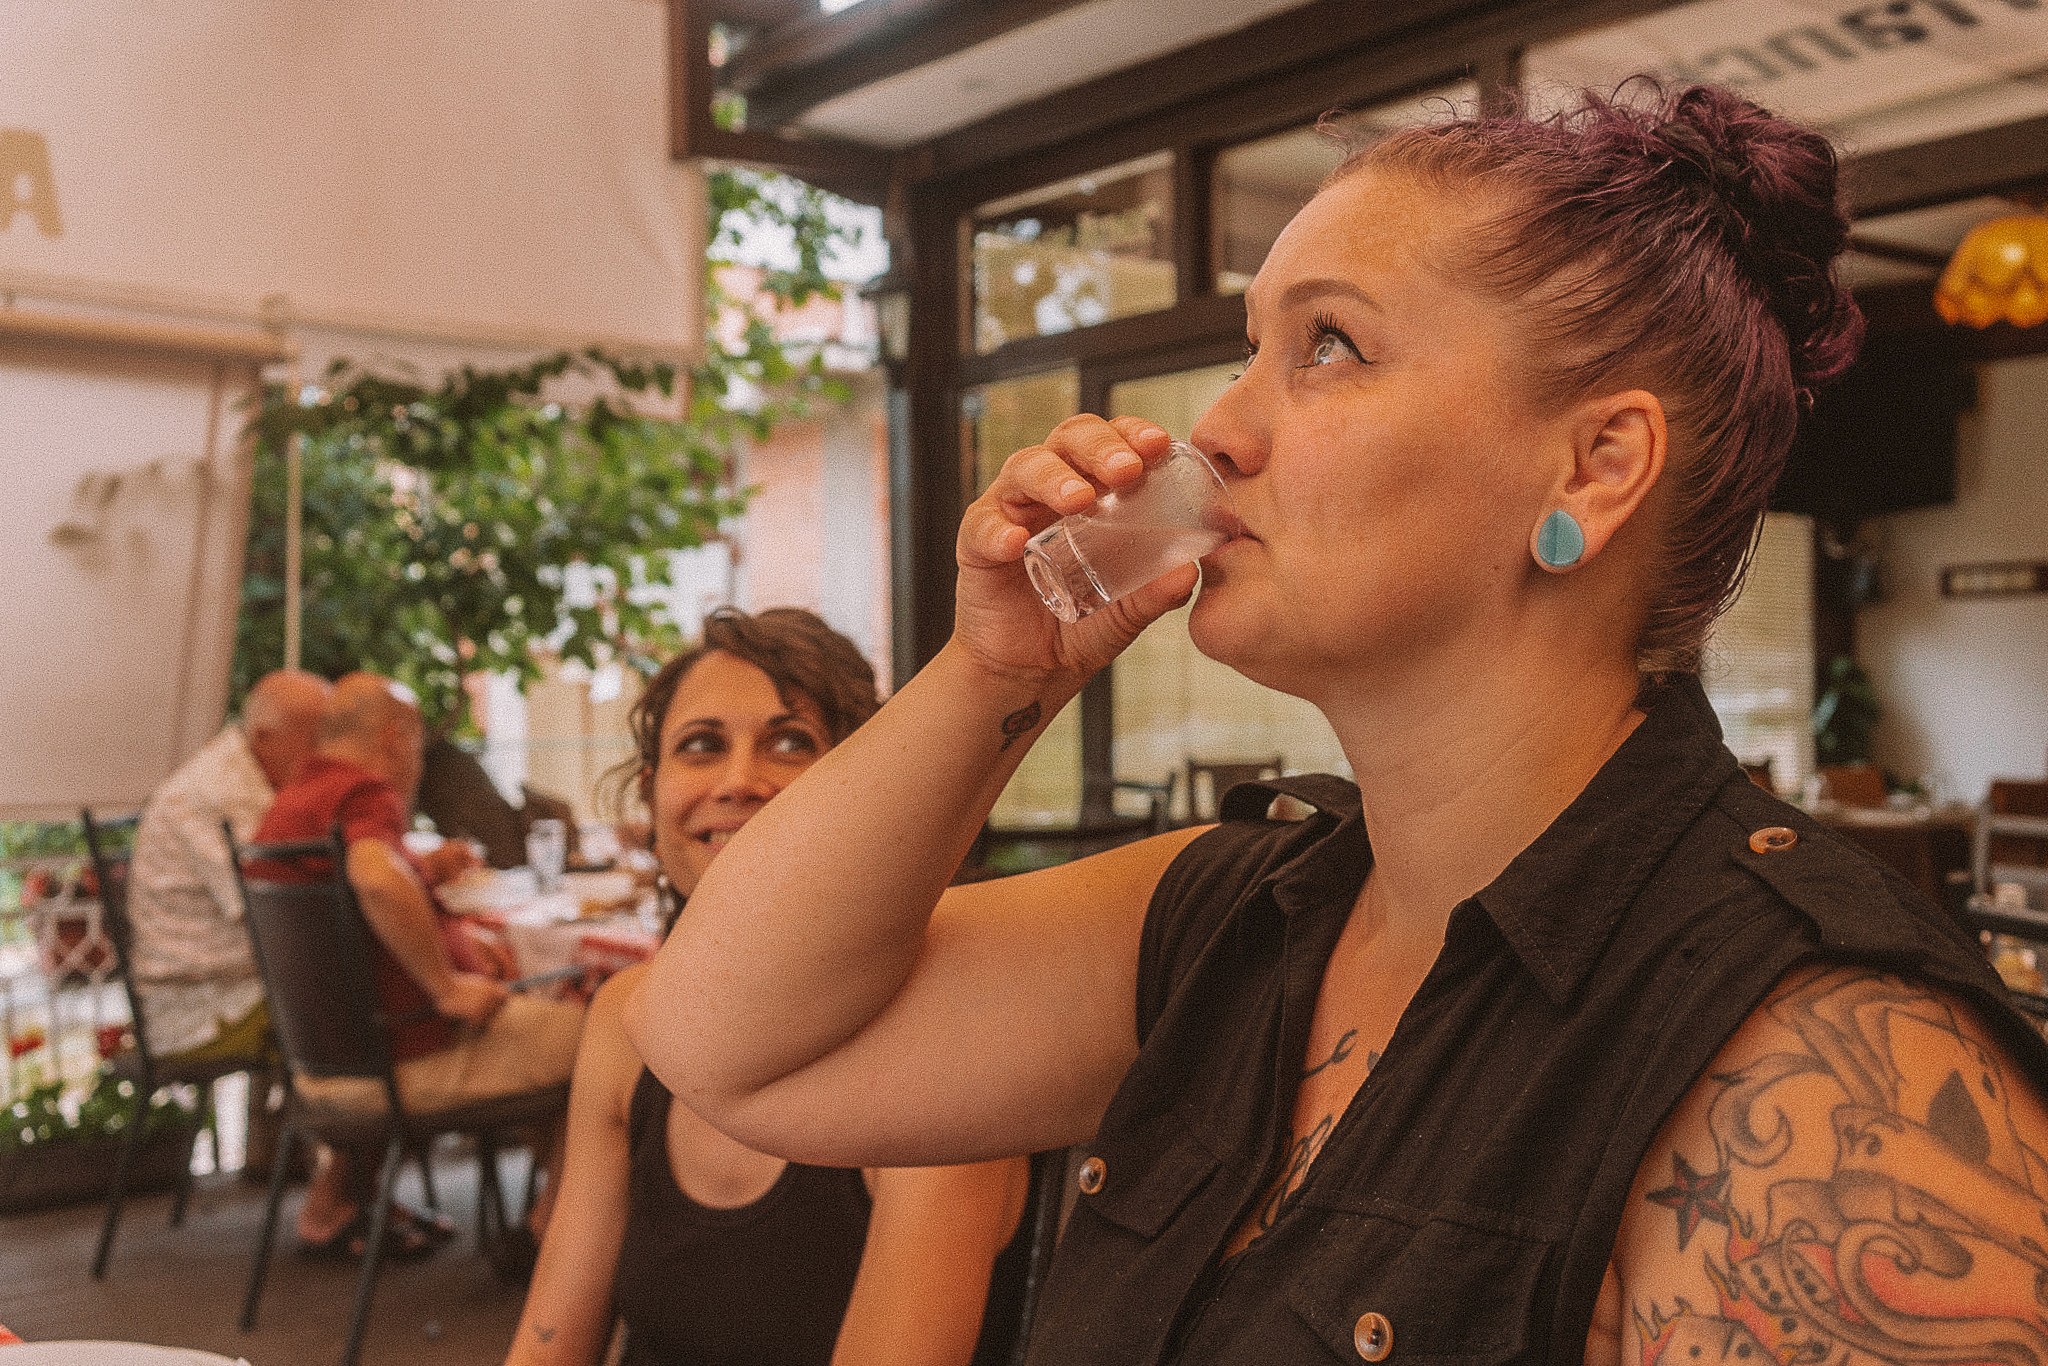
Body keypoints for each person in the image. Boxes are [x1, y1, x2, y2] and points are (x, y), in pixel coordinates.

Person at [626, 84, 2048, 1366]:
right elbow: (723, 1041)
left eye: (1329, 346)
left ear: (1594, 464)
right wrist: (1001, 672)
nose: (1220, 429)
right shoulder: (1234, 920)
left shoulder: (1826, 1075)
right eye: (1252, 348)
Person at [507, 607, 1028, 1366]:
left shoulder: (941, 1053)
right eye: (700, 746)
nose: (739, 780)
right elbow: (549, 1342)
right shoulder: (624, 1021)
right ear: (652, 801)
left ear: (866, 785)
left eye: (790, 743)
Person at [254, 671, 586, 1259]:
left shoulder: (292, 803)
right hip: (398, 1059)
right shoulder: (363, 793)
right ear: (393, 740)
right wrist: (447, 986)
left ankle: (550, 1212)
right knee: (599, 1042)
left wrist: (426, 880)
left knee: (542, 1025)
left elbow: (355, 884)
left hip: (323, 1060)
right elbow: (376, 877)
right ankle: (552, 1235)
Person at [126, 668, 330, 1064]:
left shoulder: (251, 777)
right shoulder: (219, 793)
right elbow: (280, 910)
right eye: (316, 738)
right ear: (264, 738)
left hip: (245, 986)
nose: (326, 753)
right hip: (207, 1010)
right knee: (382, 1004)